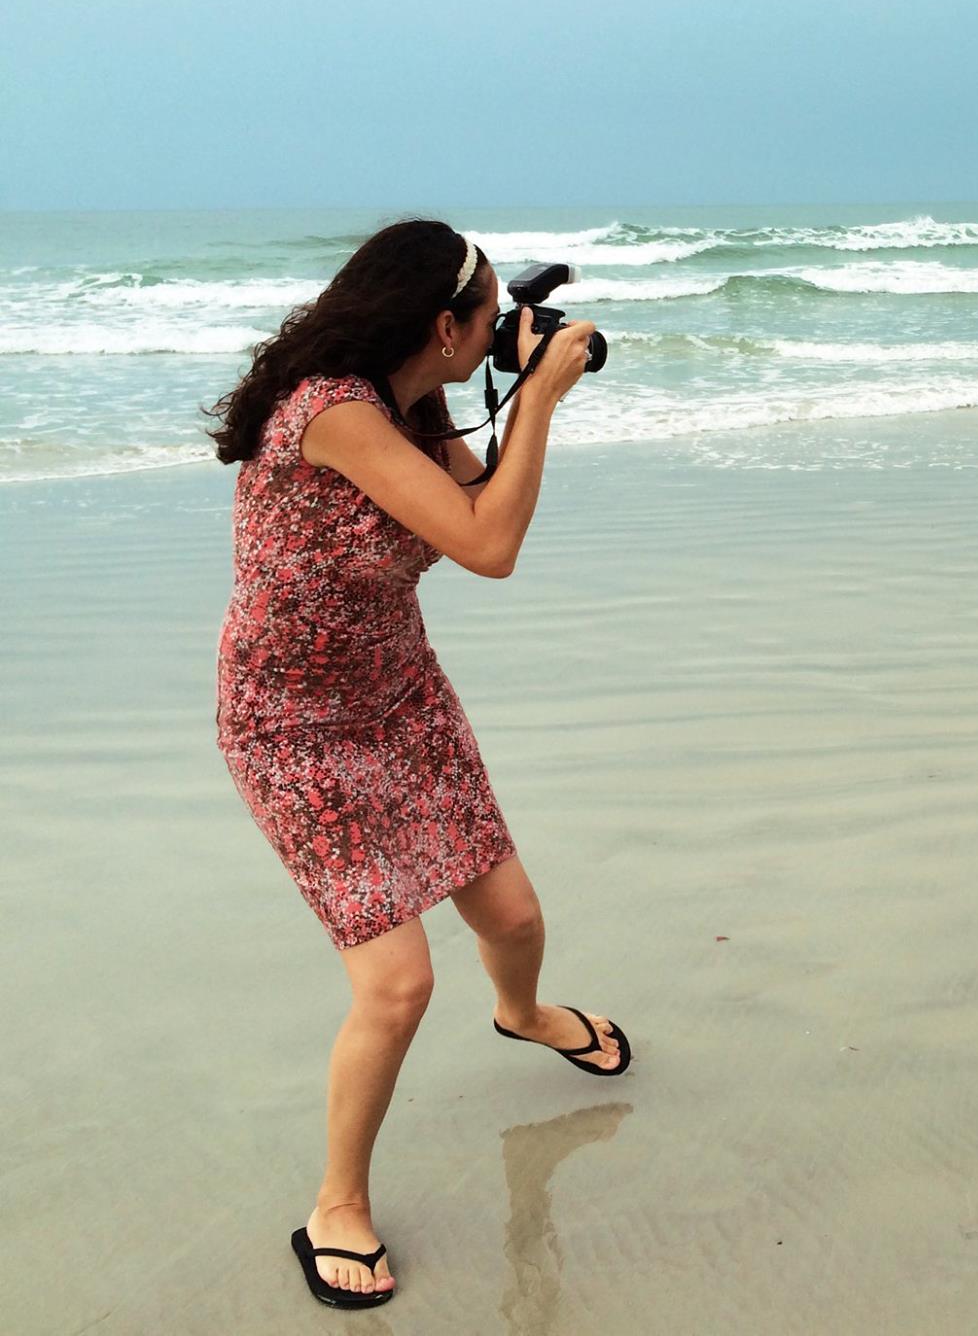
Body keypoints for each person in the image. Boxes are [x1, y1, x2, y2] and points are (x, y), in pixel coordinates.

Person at [209, 220, 628, 1311]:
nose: (499, 331)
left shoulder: (411, 402)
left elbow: (479, 507)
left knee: (517, 920)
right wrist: (537, 395)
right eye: (489, 316)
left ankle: (525, 1014)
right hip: (292, 727)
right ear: (441, 326)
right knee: (397, 985)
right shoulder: (335, 414)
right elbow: (487, 549)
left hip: (398, 701)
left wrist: (523, 399)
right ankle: (336, 1206)